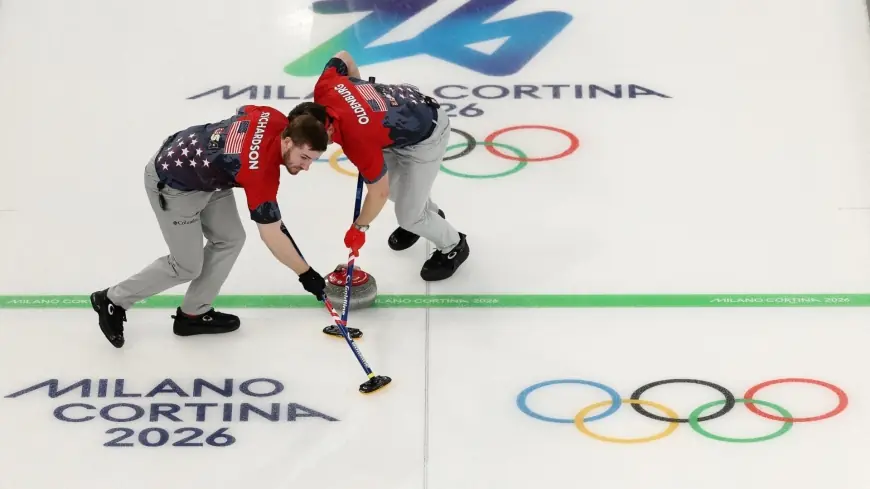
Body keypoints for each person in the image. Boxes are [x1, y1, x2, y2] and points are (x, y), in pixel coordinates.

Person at [90, 105, 331, 348]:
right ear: (288, 142)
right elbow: (270, 234)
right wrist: (305, 273)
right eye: (304, 158)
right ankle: (112, 299)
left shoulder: (272, 116)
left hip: (208, 172)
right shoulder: (261, 172)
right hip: (173, 183)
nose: (306, 167)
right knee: (186, 266)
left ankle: (193, 314)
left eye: (312, 160)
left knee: (231, 238)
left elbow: (242, 111)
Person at [287, 50, 470, 281]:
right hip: (392, 123)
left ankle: (453, 245)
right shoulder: (325, 88)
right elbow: (344, 56)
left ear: (329, 129)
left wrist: (359, 228)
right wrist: (359, 88)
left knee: (408, 216)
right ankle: (429, 215)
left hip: (426, 133)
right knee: (398, 193)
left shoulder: (357, 140)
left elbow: (378, 192)